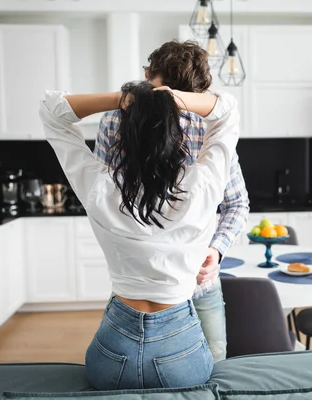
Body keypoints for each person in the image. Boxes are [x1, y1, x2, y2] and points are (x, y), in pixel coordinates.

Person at [39, 81, 239, 389]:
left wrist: (125, 99)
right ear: (179, 137)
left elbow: (51, 110)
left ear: (123, 137)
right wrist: (172, 98)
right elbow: (227, 110)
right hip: (180, 352)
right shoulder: (202, 185)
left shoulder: (101, 187)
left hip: (112, 354)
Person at [93, 40, 249, 362]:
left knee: (138, 372)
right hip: (142, 291)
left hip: (170, 287)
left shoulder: (207, 126)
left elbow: (236, 203)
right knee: (211, 366)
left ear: (149, 74)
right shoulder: (115, 122)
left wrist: (214, 250)